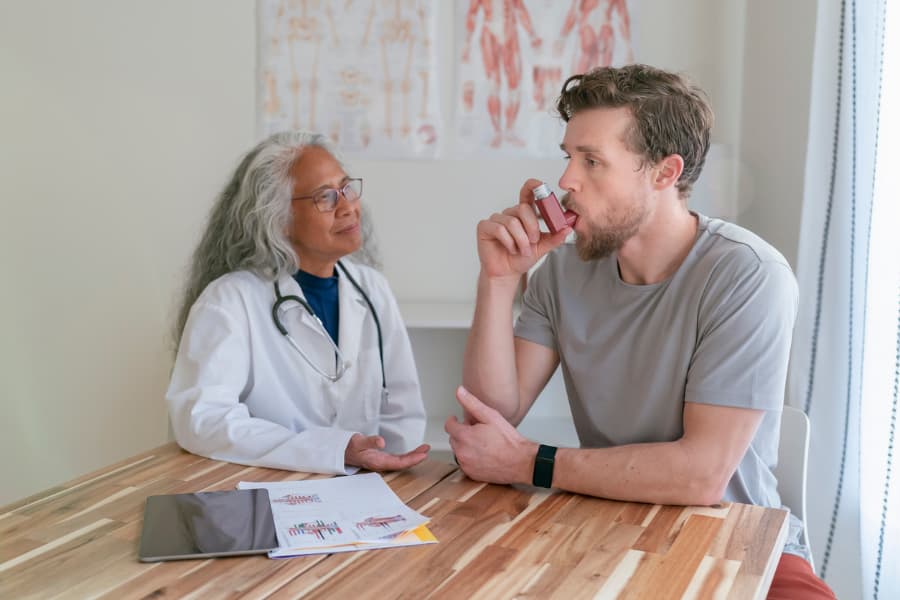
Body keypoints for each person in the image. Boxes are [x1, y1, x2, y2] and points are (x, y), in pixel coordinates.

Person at [444, 65, 834, 598]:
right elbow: (491, 416)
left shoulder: (748, 275)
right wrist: (499, 280)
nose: (566, 181)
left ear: (664, 173)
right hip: (610, 526)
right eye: (568, 157)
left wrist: (527, 461)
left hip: (739, 539)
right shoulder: (562, 271)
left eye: (592, 161)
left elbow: (699, 476)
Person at [167, 131, 428, 475]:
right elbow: (203, 419)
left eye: (347, 188)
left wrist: (393, 470)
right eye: (326, 197)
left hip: (366, 493)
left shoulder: (372, 288)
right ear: (278, 219)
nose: (348, 206)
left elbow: (402, 413)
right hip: (267, 491)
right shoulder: (229, 300)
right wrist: (331, 451)